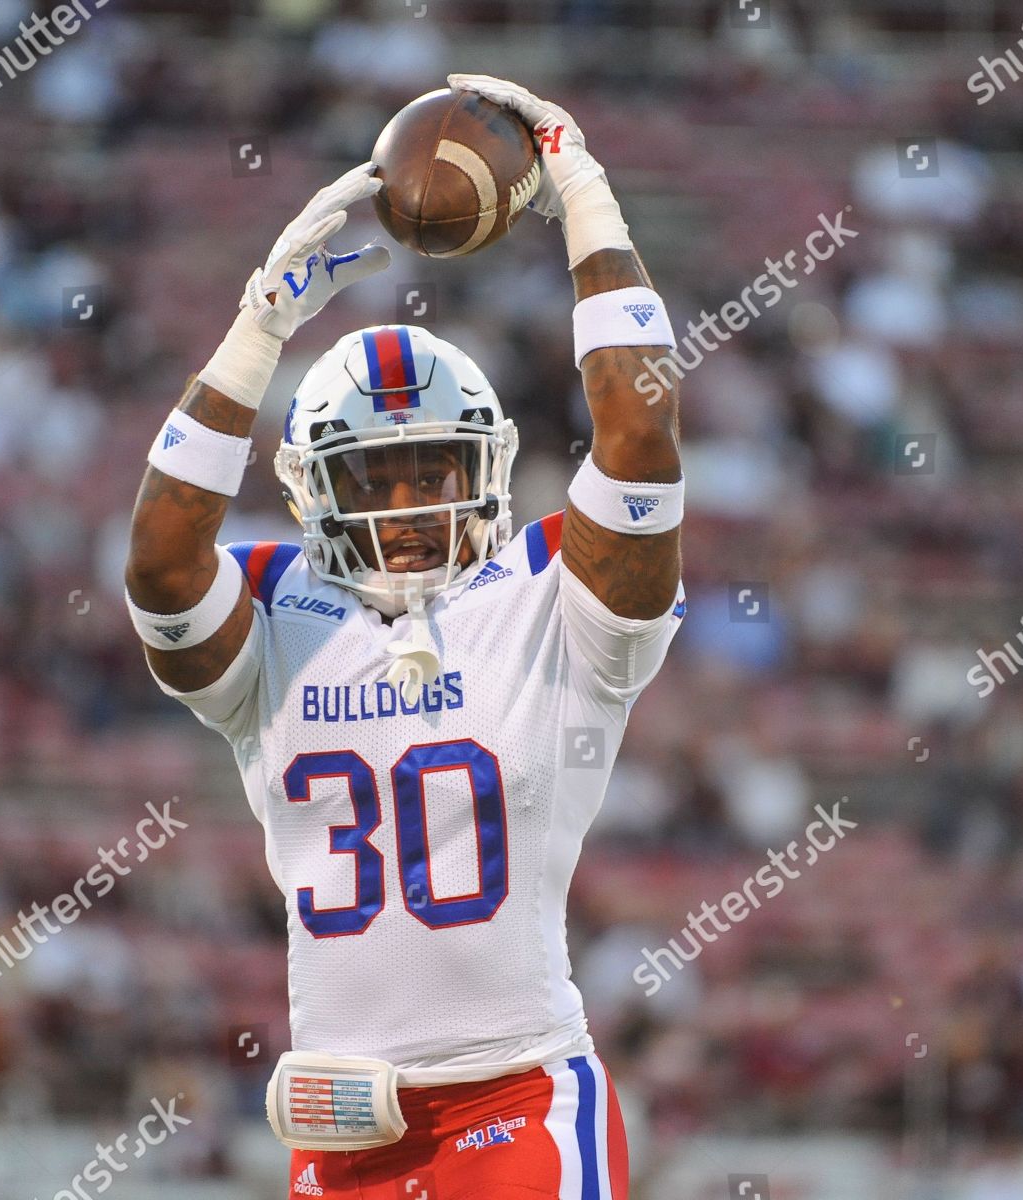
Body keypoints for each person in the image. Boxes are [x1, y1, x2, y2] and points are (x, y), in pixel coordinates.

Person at [125, 73, 686, 1200]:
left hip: (518, 1101)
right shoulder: (275, 607)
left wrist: (585, 203)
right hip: (345, 1129)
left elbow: (638, 433)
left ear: (487, 468)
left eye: (433, 468)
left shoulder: (548, 599)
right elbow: (158, 575)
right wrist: (254, 332)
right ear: (311, 491)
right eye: (377, 476)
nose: (412, 505)